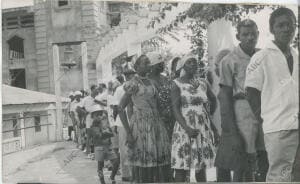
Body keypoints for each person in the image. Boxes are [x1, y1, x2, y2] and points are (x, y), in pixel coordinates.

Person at [245, 8, 298, 182]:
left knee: (296, 175)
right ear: (272, 29)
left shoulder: (297, 56)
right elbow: (251, 92)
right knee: (280, 176)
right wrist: (266, 117)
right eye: (280, 25)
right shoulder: (261, 57)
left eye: (290, 25)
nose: (286, 29)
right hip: (278, 128)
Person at [217, 19, 268, 182]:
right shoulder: (229, 60)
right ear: (238, 36)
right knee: (243, 160)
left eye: (253, 34)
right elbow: (225, 95)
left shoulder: (263, 56)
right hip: (243, 113)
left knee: (265, 157)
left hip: (265, 110)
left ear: (258, 34)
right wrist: (230, 129)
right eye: (245, 34)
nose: (250, 37)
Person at [118, 54, 171, 183]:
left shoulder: (152, 83)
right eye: (145, 63)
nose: (149, 65)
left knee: (156, 164)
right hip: (141, 126)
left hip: (156, 124)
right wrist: (129, 132)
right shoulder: (133, 83)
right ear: (136, 67)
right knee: (143, 165)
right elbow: (120, 108)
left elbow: (158, 106)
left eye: (149, 63)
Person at [170, 54, 218, 182]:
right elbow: (175, 109)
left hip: (202, 128)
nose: (193, 64)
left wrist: (209, 120)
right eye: (189, 62)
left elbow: (213, 100)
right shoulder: (177, 84)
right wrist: (187, 128)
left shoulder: (203, 82)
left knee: (200, 166)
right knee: (181, 165)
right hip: (185, 127)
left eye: (195, 62)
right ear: (183, 66)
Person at [114, 69, 135, 182]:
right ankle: (125, 174)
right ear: (126, 76)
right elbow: (118, 107)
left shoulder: (136, 86)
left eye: (132, 75)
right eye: (129, 75)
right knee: (124, 149)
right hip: (122, 122)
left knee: (132, 148)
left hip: (134, 120)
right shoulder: (119, 89)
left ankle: (133, 173)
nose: (131, 77)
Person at [90, 105, 119, 184]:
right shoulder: (94, 125)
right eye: (97, 115)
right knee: (100, 166)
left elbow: (109, 132)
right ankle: (102, 181)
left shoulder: (104, 122)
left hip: (108, 145)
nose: (99, 116)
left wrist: (108, 132)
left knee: (116, 162)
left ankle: (112, 177)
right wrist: (108, 133)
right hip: (99, 147)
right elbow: (99, 135)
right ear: (93, 116)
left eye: (100, 114)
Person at [77, 85, 99, 158]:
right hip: (89, 117)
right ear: (92, 90)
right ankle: (88, 152)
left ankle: (96, 153)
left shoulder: (99, 98)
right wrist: (85, 112)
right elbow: (78, 108)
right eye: (96, 89)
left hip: (98, 118)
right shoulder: (86, 99)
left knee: (97, 135)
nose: (97, 91)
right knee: (89, 135)